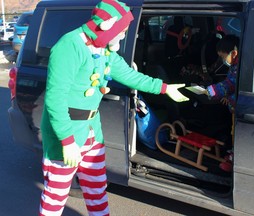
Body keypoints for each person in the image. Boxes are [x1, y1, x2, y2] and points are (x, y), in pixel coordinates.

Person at [39, 1, 189, 215]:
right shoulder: (69, 46)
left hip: (92, 130)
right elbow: (55, 99)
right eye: (123, 30)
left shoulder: (104, 50)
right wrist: (67, 141)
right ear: (107, 26)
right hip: (66, 133)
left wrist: (164, 88)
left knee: (97, 190)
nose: (125, 35)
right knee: (55, 196)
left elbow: (130, 75)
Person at [205, 34, 240, 172]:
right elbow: (234, 88)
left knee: (235, 133)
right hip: (234, 106)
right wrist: (229, 96)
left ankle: (233, 159)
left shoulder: (238, 68)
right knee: (232, 131)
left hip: (238, 109)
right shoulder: (236, 64)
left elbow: (230, 83)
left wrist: (211, 91)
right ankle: (232, 153)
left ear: (234, 53)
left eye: (222, 56)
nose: (222, 59)